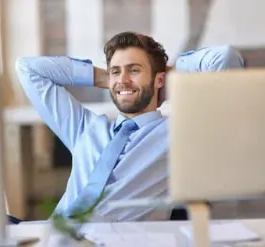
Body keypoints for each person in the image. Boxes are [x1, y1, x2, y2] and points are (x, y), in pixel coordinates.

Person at [15, 32, 244, 222]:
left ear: (159, 80)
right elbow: (28, 69)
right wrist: (109, 79)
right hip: (54, 237)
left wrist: (164, 74)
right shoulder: (85, 128)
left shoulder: (180, 134)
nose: (123, 79)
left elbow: (225, 58)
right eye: (116, 70)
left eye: (134, 70)